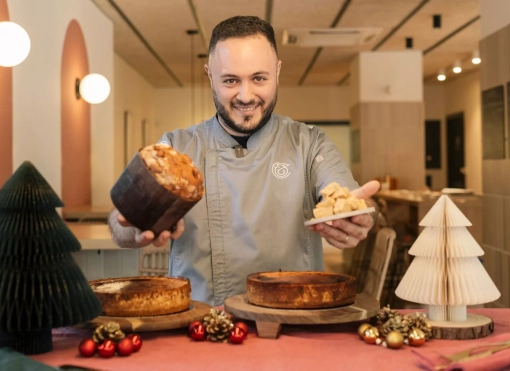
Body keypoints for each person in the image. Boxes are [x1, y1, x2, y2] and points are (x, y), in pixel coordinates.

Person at [109, 15, 380, 306]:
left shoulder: (310, 143)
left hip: (292, 317)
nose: (245, 95)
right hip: (200, 321)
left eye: (259, 78)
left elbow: (348, 196)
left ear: (277, 72)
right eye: (230, 80)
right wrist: (134, 228)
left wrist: (357, 217)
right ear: (210, 75)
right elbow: (118, 223)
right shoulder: (176, 147)